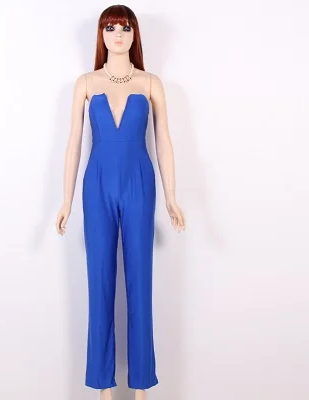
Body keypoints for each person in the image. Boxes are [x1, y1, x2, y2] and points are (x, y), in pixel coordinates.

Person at [56, 5, 186, 400]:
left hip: (139, 186)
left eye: (125, 27)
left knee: (140, 284)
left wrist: (172, 197)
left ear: (134, 35)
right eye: (110, 27)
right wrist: (66, 200)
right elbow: (74, 142)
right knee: (99, 283)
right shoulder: (85, 83)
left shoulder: (150, 83)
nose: (117, 33)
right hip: (96, 188)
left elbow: (163, 140)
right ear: (101, 34)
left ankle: (142, 387)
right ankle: (103, 388)